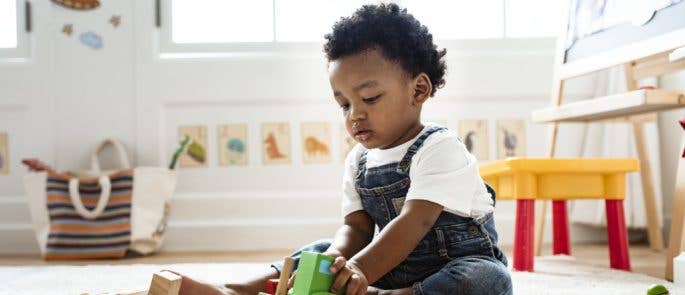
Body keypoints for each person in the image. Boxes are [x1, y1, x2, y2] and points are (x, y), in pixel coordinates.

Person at [176, 3, 512, 295]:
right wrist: (337, 263)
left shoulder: (440, 148)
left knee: (484, 281)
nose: (355, 115)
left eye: (369, 99)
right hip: (387, 268)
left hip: (452, 266)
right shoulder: (359, 161)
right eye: (344, 104)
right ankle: (238, 290)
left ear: (418, 90)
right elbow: (357, 228)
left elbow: (415, 222)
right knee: (318, 252)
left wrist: (361, 270)